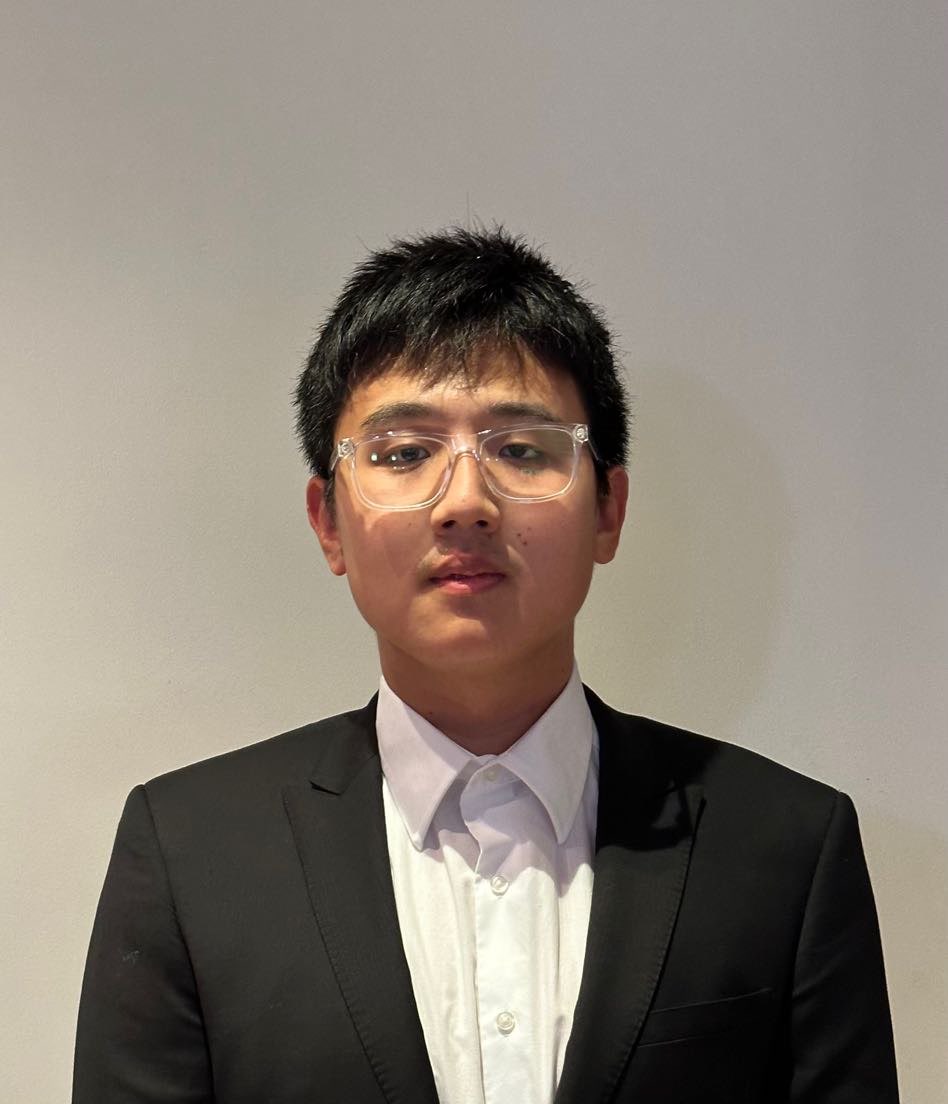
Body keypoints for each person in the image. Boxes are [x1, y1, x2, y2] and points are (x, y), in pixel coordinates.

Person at [73, 227, 899, 1103]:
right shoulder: (190, 853)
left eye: (521, 449)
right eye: (403, 453)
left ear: (609, 509)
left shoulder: (787, 847)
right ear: (328, 523)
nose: (464, 502)